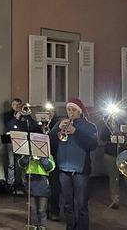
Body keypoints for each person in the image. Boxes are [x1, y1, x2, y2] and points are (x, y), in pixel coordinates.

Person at [48, 98, 98, 230]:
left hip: (80, 170)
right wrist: (56, 129)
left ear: (80, 111)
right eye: (68, 109)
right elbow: (49, 141)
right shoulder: (61, 123)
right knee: (67, 204)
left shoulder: (89, 126)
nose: (70, 112)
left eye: (74, 110)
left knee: (81, 205)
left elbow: (92, 145)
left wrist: (76, 132)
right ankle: (70, 227)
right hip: (64, 169)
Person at [20, 154, 56, 229]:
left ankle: (42, 226)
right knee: (32, 209)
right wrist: (27, 157)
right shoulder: (27, 152)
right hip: (30, 180)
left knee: (42, 210)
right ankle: (33, 226)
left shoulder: (47, 153)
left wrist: (41, 158)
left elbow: (50, 167)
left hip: (42, 182)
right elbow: (21, 164)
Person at [2, 98, 23, 192]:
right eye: (15, 104)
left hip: (21, 139)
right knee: (11, 162)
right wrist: (16, 118)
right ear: (12, 105)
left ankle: (21, 182)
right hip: (9, 138)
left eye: (18, 105)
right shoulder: (7, 115)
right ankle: (11, 182)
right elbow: (8, 125)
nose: (16, 106)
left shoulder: (24, 114)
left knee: (21, 161)